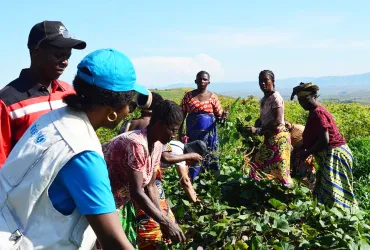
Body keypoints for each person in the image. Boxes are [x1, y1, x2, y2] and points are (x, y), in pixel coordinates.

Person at [0, 48, 147, 249]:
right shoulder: (83, 154)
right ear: (112, 111)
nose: (130, 111)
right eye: (130, 104)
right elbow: (114, 241)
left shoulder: (52, 118)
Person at [0, 20, 86, 167]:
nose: (65, 62)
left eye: (67, 56)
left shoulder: (68, 93)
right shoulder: (7, 102)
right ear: (35, 51)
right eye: (58, 54)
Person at [103, 100, 186, 249]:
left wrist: (162, 222)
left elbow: (151, 186)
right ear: (159, 124)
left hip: (118, 200)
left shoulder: (158, 144)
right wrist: (165, 222)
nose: (174, 135)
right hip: (101, 199)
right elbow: (136, 192)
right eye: (172, 130)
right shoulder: (137, 144)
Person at [291, 82, 358, 209]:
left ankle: (345, 221)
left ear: (314, 96)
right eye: (299, 100)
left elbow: (324, 140)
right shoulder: (314, 112)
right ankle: (329, 220)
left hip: (335, 154)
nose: (302, 103)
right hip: (330, 154)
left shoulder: (317, 113)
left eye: (305, 99)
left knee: (336, 193)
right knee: (324, 190)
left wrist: (307, 152)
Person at [246, 70, 293, 186]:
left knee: (280, 171)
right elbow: (264, 118)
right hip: (270, 138)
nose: (262, 83)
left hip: (278, 138)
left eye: (265, 80)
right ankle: (266, 194)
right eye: (260, 81)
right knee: (259, 167)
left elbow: (277, 121)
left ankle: (287, 196)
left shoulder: (276, 98)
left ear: (273, 81)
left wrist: (258, 130)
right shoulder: (264, 99)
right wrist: (256, 124)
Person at [179, 70, 227, 181]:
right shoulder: (188, 96)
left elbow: (219, 117)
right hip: (193, 134)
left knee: (210, 155)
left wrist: (223, 117)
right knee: (193, 155)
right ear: (195, 81)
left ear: (208, 82)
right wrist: (180, 132)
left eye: (205, 79)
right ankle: (192, 181)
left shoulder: (213, 97)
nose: (202, 81)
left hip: (209, 135)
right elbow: (181, 116)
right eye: (200, 79)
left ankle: (211, 181)